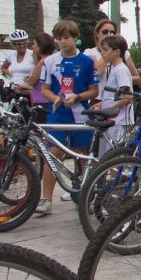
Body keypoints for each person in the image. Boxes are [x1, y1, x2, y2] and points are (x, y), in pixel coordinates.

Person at [37, 19, 99, 215]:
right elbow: (44, 90)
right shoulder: (50, 61)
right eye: (59, 38)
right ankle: (46, 199)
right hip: (58, 114)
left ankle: (85, 195)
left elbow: (94, 90)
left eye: (66, 38)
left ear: (75, 38)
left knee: (81, 154)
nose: (62, 42)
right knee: (53, 153)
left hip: (80, 115)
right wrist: (57, 98)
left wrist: (78, 97)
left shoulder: (88, 62)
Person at [96, 34, 134, 152]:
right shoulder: (114, 68)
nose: (102, 53)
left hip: (119, 121)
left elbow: (127, 97)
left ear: (117, 52)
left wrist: (108, 109)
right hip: (112, 120)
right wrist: (102, 105)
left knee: (113, 157)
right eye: (101, 50)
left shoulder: (121, 70)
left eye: (105, 50)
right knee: (106, 157)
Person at [84, 17, 140, 83]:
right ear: (97, 34)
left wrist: (121, 77)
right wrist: (106, 52)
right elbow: (97, 73)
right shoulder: (90, 53)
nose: (109, 35)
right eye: (105, 32)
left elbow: (137, 78)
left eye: (112, 32)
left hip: (117, 92)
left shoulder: (123, 53)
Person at [0, 29, 35, 96]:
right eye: (18, 44)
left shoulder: (33, 54)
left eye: (24, 43)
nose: (22, 46)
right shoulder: (11, 55)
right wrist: (13, 75)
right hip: (14, 88)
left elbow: (40, 68)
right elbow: (3, 68)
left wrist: (32, 75)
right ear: (13, 44)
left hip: (27, 90)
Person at [26, 33, 56, 110]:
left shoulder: (43, 61)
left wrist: (36, 60)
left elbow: (31, 82)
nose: (32, 46)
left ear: (40, 46)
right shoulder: (52, 59)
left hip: (40, 100)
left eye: (34, 44)